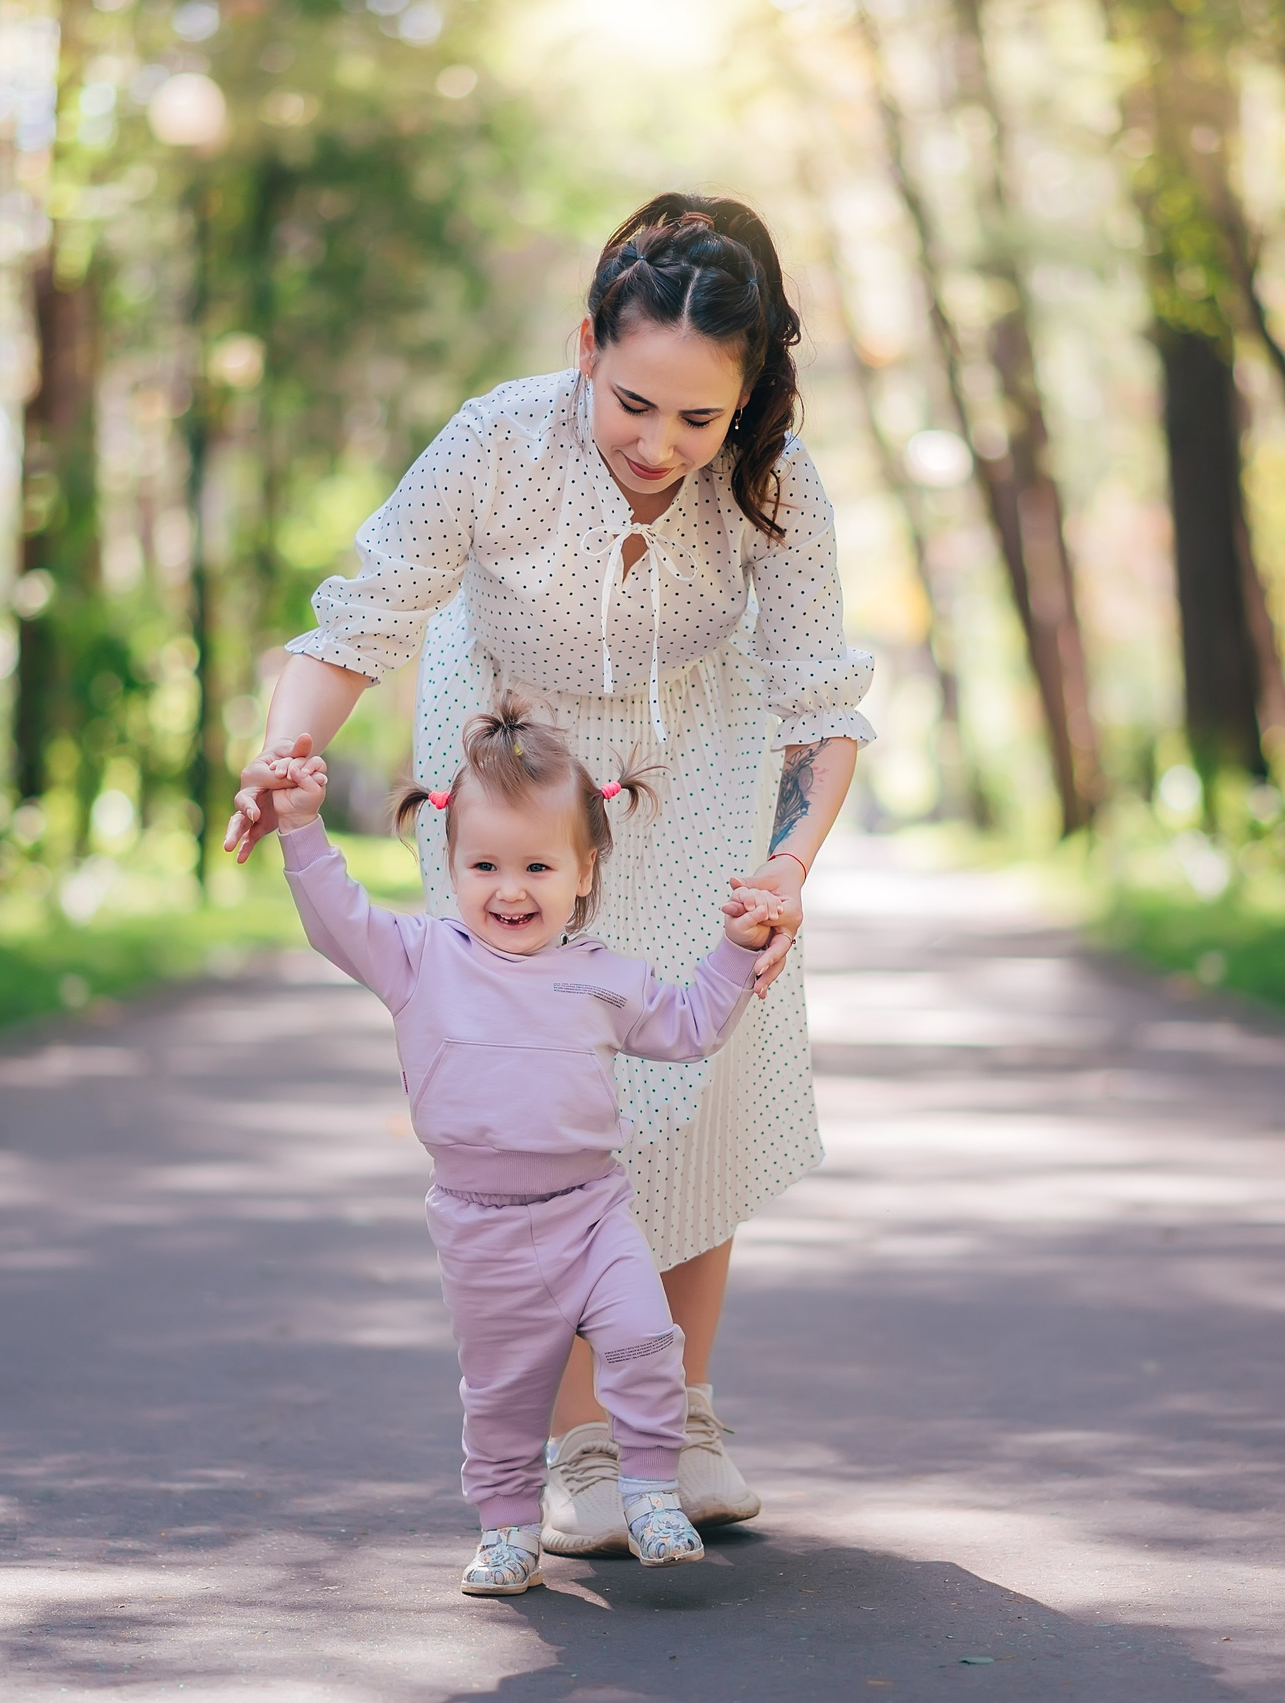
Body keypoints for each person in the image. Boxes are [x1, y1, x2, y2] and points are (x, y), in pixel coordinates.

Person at [225, 192, 874, 1554]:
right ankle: (580, 1437)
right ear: (588, 343)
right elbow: (367, 612)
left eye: (702, 419)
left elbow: (820, 703)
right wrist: (281, 760)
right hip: (515, 760)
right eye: (637, 402)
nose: (660, 445)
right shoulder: (497, 441)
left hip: (700, 751)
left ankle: (680, 1412)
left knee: (698, 1077)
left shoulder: (775, 483)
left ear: (748, 399)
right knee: (560, 1085)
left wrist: (786, 868)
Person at [260, 696, 792, 1595]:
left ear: (585, 872)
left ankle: (652, 1489)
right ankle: (507, 1528)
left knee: (642, 1339)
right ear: (451, 861)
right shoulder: (419, 957)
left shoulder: (601, 977)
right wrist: (301, 829)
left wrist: (736, 950)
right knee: (502, 1396)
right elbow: (336, 919)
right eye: (485, 864)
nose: (510, 888)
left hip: (591, 1211)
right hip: (480, 1227)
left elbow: (694, 1023)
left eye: (538, 865)